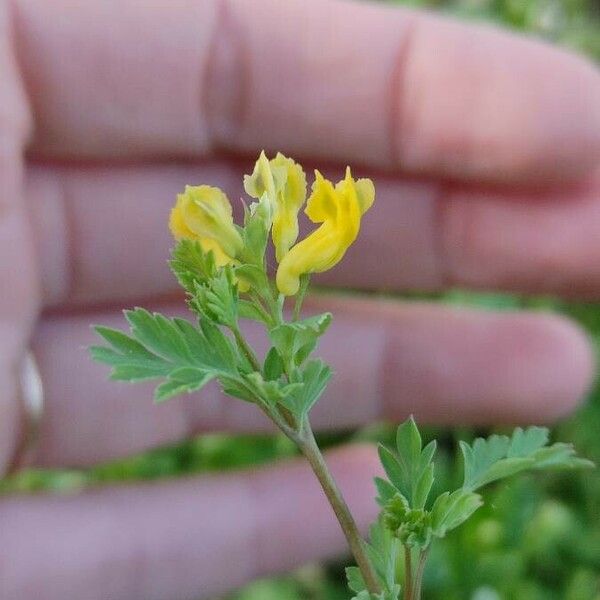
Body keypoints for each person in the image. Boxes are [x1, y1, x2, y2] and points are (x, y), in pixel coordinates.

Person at [1, 0, 599, 598]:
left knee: (289, 276)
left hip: (270, 276)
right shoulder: (254, 268)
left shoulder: (284, 261)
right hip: (257, 280)